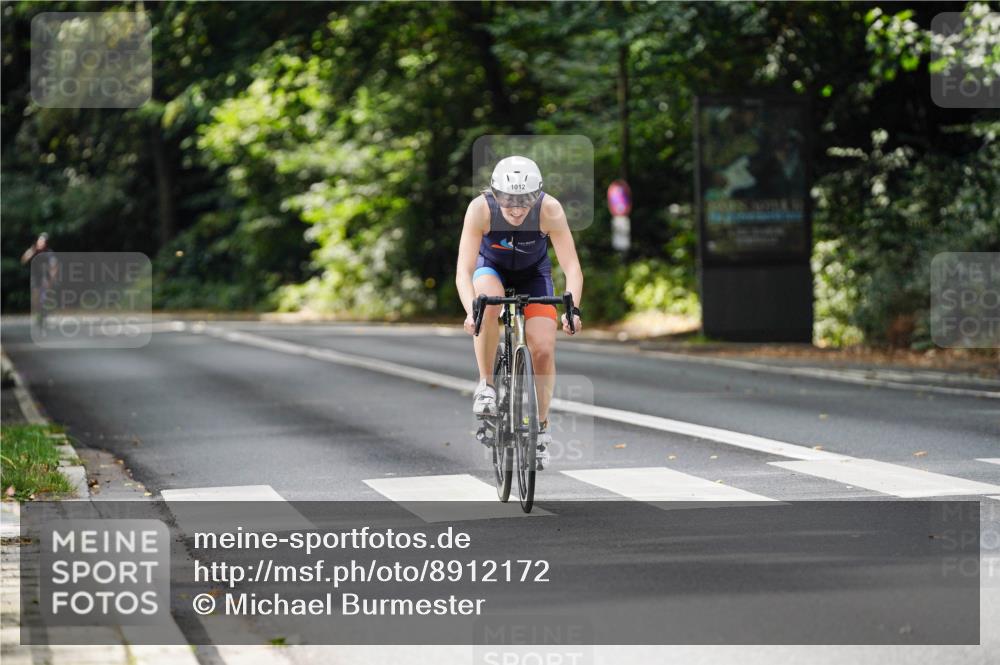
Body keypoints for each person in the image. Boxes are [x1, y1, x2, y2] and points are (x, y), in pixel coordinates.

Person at [455, 156, 583, 470]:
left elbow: (572, 268)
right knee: (487, 302)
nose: (515, 209)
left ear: (537, 195)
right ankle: (486, 384)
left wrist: (573, 310)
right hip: (491, 270)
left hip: (534, 275)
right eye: (508, 201)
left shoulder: (549, 209)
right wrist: (471, 310)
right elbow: (463, 270)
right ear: (495, 195)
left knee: (542, 349)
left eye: (524, 201)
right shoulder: (480, 209)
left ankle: (540, 428)